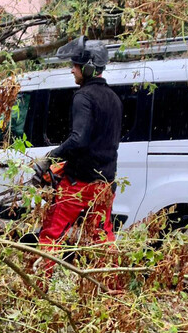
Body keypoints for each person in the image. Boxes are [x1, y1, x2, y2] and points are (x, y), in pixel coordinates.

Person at [31, 36, 123, 279]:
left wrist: (50, 158)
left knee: (52, 234)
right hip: (104, 184)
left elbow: (79, 139)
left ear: (89, 67)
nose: (72, 69)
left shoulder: (83, 96)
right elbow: (99, 142)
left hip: (79, 185)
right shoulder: (114, 99)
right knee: (102, 239)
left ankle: (41, 288)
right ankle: (113, 291)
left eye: (75, 65)